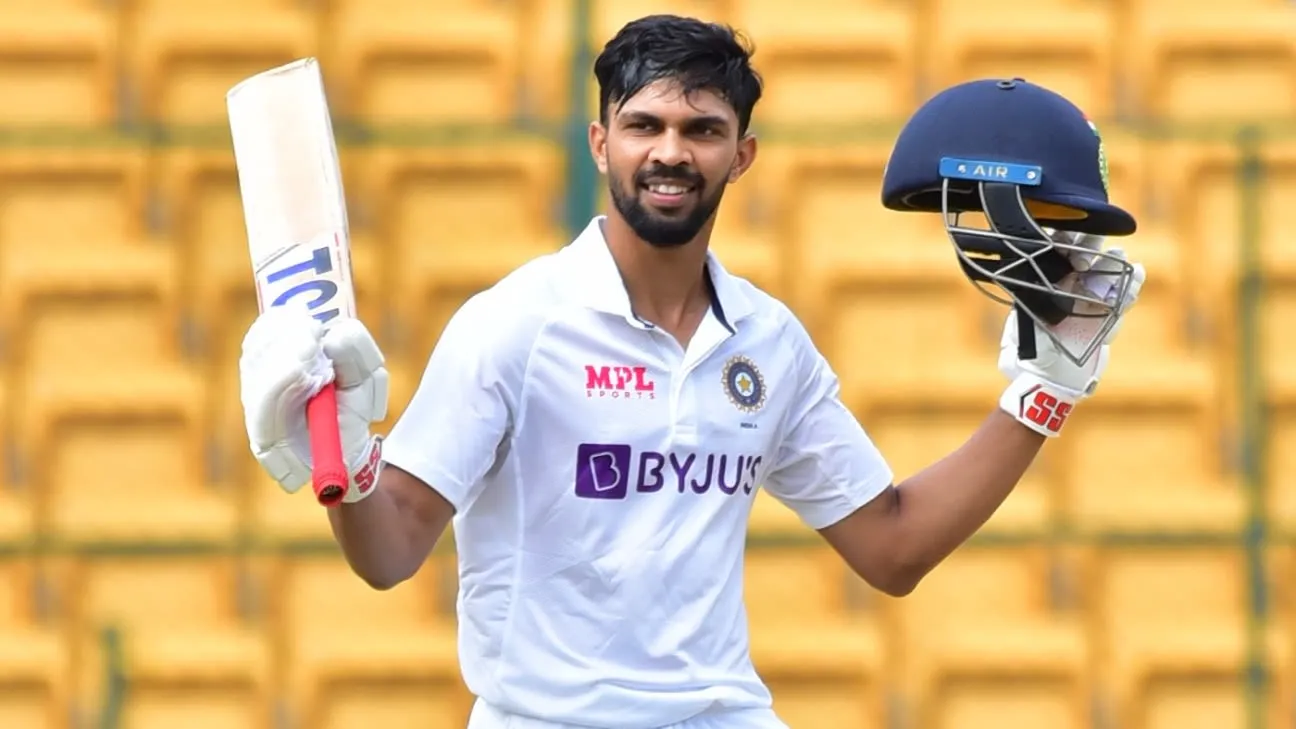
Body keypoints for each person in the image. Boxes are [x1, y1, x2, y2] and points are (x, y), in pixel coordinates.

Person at [237, 14, 1146, 729]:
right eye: (644, 125)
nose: (670, 150)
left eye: (702, 128)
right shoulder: (515, 325)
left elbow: (894, 549)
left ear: (740, 155)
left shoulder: (768, 340)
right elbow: (390, 554)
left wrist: (1044, 392)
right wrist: (352, 467)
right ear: (601, 144)